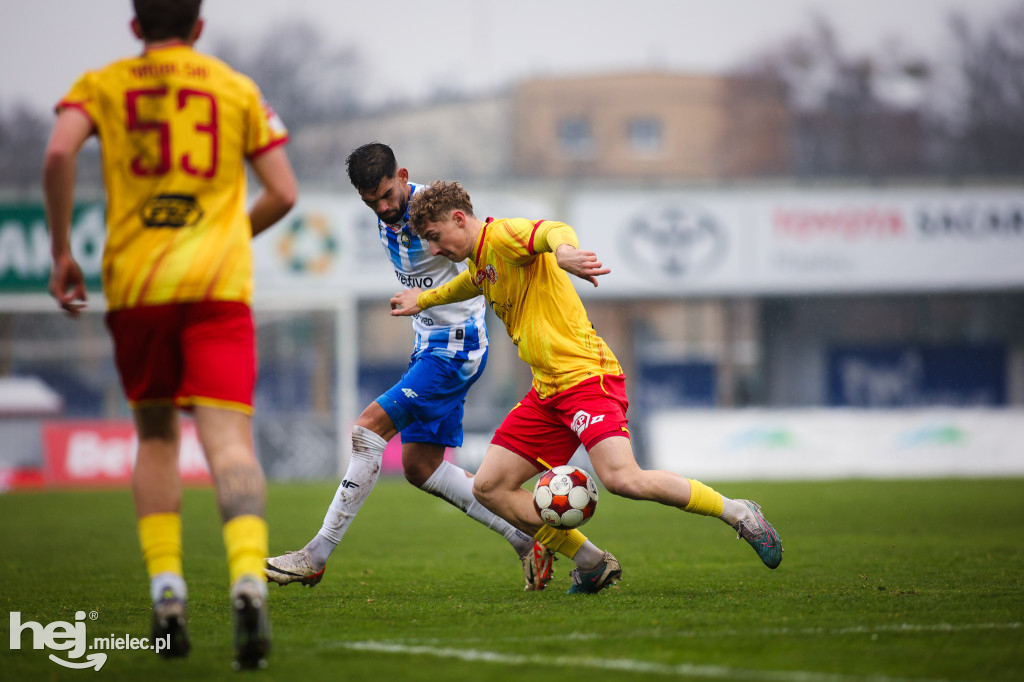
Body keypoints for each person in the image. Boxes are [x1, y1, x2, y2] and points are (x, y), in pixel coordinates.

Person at [43, 0, 297, 669]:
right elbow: (284, 192)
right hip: (217, 294)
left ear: (135, 26)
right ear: (199, 26)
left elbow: (58, 151)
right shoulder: (237, 88)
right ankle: (247, 580)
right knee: (230, 442)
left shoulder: (101, 84)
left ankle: (167, 591)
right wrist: (224, 237)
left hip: (138, 291)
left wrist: (62, 250)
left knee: (155, 437)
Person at [390, 181, 783, 594]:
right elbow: (471, 282)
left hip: (585, 378)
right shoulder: (482, 262)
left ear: (458, 219)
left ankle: (739, 513)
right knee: (488, 488)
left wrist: (563, 253)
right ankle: (592, 563)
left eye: (434, 238)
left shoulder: (504, 236)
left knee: (623, 479)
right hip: (547, 390)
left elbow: (551, 229)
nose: (433, 250)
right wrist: (426, 300)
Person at [265, 142, 570, 592]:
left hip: (454, 350)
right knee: (421, 467)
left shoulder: (439, 213)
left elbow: (487, 255)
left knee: (367, 430)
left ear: (403, 175)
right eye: (372, 202)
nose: (384, 208)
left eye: (388, 195)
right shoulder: (384, 211)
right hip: (429, 345)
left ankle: (316, 554)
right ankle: (527, 540)